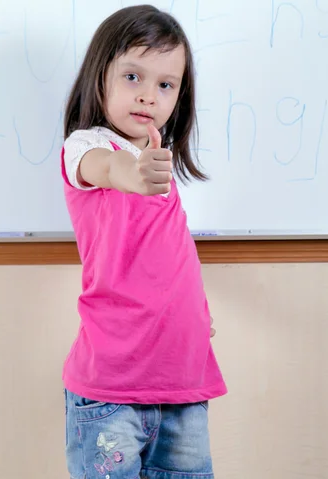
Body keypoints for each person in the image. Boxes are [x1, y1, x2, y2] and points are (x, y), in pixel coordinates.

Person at [60, 5, 227, 478]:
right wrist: (130, 172)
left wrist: (192, 314)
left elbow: (165, 254)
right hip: (112, 391)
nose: (148, 96)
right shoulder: (88, 149)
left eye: (165, 84)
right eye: (133, 76)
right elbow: (107, 169)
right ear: (100, 78)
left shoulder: (157, 163)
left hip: (182, 383)